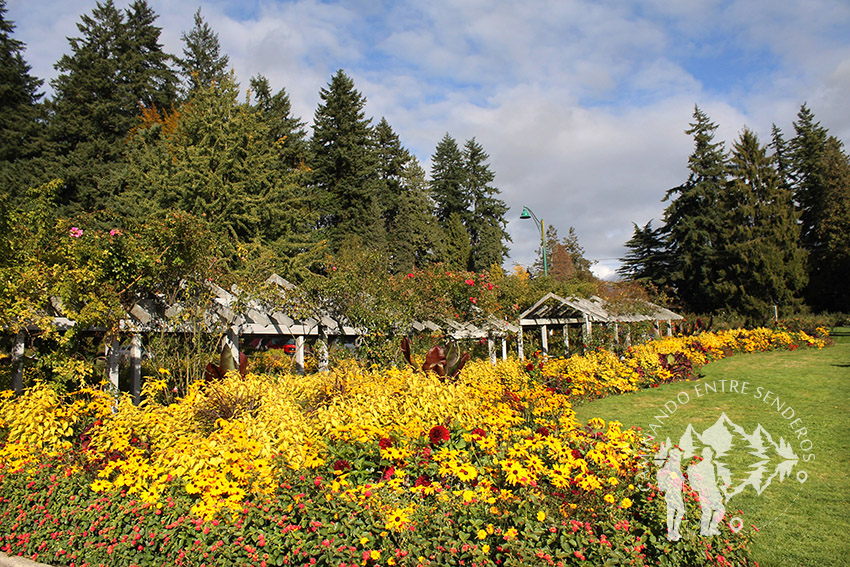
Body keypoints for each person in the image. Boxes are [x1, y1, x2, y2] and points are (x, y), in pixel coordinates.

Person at [687, 446, 726, 536]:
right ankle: (704, 530)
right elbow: (697, 482)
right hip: (703, 492)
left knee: (720, 509)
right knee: (707, 511)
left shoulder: (710, 466)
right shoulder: (699, 467)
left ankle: (712, 528)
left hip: (709, 491)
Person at [656, 447, 685, 541]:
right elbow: (663, 474)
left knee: (672, 511)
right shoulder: (671, 465)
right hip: (673, 492)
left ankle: (672, 532)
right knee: (679, 511)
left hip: (674, 490)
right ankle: (674, 531)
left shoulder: (673, 465)